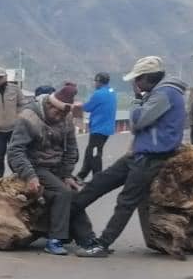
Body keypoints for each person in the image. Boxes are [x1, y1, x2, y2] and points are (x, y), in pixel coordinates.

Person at [72, 55, 187, 258]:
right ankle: (66, 220)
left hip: (152, 157)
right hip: (139, 154)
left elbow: (138, 121)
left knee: (126, 201)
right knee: (98, 183)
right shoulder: (157, 93)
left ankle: (102, 244)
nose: (136, 83)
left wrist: (136, 99)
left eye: (138, 79)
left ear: (148, 77)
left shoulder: (165, 93)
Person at [8, 83, 97, 256]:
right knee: (62, 193)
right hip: (34, 166)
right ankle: (55, 238)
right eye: (57, 113)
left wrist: (66, 174)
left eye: (64, 114)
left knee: (72, 192)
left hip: (55, 168)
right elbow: (15, 152)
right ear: (49, 105)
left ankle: (86, 238)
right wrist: (30, 176)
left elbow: (71, 148)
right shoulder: (29, 117)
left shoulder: (66, 118)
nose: (60, 117)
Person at [78, 71, 117, 181]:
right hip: (107, 128)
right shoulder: (112, 91)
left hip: (99, 128)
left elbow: (87, 108)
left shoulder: (98, 94)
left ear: (99, 81)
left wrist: (79, 105)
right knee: (90, 151)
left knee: (95, 154)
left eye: (96, 81)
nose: (95, 83)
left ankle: (98, 178)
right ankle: (82, 175)